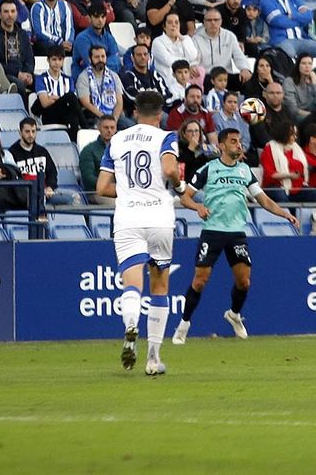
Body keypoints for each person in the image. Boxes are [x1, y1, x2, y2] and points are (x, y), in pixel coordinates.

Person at [172, 127, 298, 344]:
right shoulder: (208, 169)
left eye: (239, 141)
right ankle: (183, 325)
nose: (238, 145)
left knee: (244, 282)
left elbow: (263, 199)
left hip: (237, 232)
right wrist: (198, 207)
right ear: (221, 145)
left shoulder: (245, 171)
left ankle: (234, 315)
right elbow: (185, 197)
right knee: (200, 281)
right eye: (233, 141)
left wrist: (283, 213)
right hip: (212, 231)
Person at [96, 90, 179, 375]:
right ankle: (153, 359)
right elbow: (169, 169)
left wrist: (130, 193)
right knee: (160, 286)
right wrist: (177, 181)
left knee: (131, 283)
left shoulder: (116, 139)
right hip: (159, 216)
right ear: (160, 114)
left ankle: (131, 325)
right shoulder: (166, 137)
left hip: (128, 218)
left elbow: (102, 188)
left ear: (134, 111)